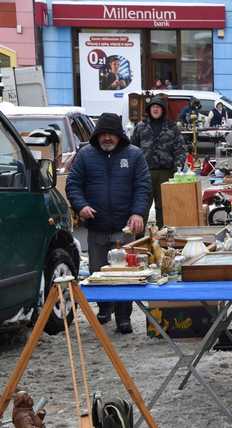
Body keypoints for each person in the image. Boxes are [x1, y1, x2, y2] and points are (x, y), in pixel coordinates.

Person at [66, 113, 151, 334]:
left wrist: (138, 213)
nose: (106, 138)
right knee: (97, 272)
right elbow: (73, 184)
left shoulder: (134, 155)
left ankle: (124, 317)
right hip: (97, 226)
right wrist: (81, 205)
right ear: (97, 135)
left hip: (125, 228)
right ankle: (105, 308)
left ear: (119, 135)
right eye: (102, 134)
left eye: (111, 134)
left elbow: (143, 187)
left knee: (125, 275)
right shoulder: (85, 155)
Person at [130, 96, 186, 227]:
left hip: (166, 173)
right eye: (153, 107)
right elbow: (132, 149)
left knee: (164, 208)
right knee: (141, 206)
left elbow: (180, 149)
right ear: (149, 110)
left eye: (158, 107)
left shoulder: (172, 127)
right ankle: (138, 239)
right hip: (145, 173)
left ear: (163, 110)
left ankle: (164, 238)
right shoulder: (141, 127)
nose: (155, 109)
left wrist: (177, 167)